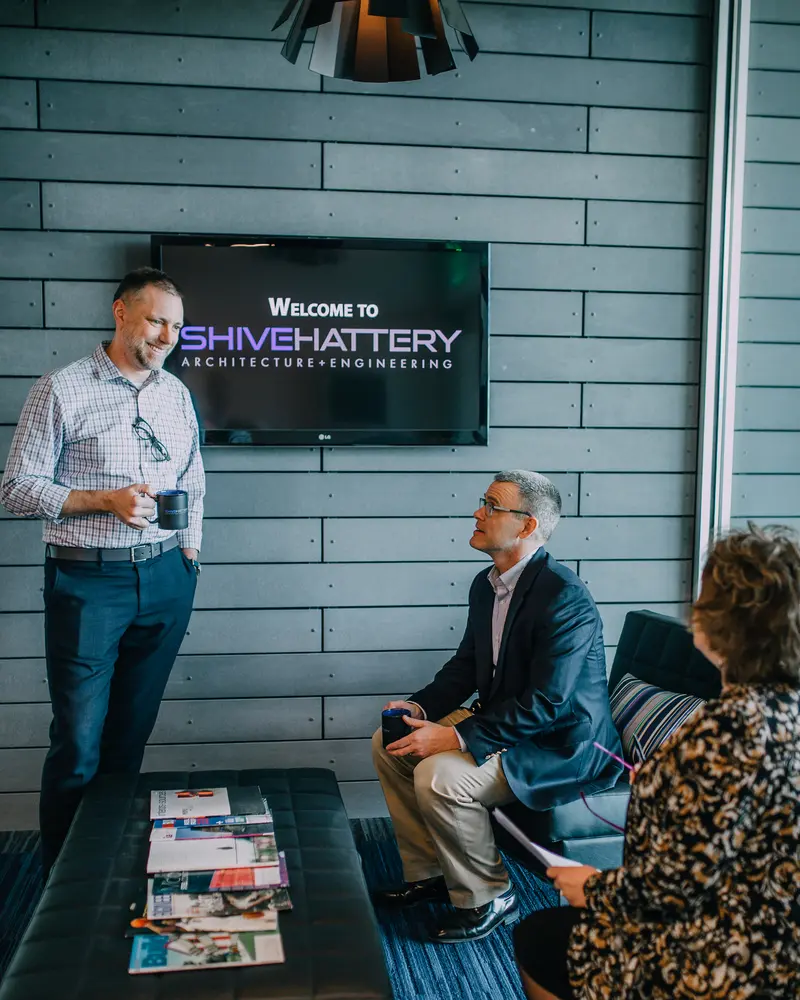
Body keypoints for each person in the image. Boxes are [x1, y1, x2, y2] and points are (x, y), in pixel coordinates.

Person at [514, 524, 800, 1000]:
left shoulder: (720, 735)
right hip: (781, 947)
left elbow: (666, 896)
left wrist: (591, 886)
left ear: (714, 621)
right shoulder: (785, 712)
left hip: (726, 966)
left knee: (541, 937)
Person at [0, 267, 205, 877]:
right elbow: (15, 489)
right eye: (156, 319)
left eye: (176, 324)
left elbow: (192, 477)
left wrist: (188, 554)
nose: (167, 335)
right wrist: (105, 499)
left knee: (128, 740)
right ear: (120, 313)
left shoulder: (176, 394)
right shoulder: (60, 389)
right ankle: (64, 884)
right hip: (88, 584)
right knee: (79, 745)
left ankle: (107, 870)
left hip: (166, 580)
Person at [371, 470, 621, 943]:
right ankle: (431, 874)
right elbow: (467, 666)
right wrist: (421, 708)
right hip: (508, 721)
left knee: (439, 776)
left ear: (527, 526)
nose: (477, 512)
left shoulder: (565, 597)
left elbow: (549, 702)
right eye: (481, 502)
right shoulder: (485, 585)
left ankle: (489, 895)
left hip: (559, 745)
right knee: (390, 744)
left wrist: (455, 736)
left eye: (491, 504)